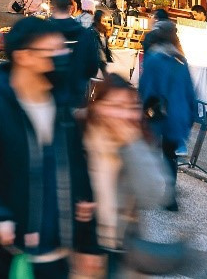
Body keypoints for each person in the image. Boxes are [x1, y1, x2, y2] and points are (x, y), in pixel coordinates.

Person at [0, 17, 101, 279]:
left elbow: (80, 176)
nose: (61, 58)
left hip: (59, 256)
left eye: (63, 50)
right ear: (23, 56)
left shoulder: (62, 109)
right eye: (51, 52)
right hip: (9, 257)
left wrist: (88, 244)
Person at [84, 74, 172, 274]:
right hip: (82, 252)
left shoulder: (139, 143)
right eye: (115, 105)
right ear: (97, 106)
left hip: (122, 252)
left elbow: (154, 195)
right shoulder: (78, 140)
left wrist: (133, 146)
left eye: (130, 107)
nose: (123, 115)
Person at [138, 20, 196, 212]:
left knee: (148, 150)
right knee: (170, 155)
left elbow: (147, 88)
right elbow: (190, 91)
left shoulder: (153, 58)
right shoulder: (181, 59)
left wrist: (141, 110)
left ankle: (144, 190)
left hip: (156, 115)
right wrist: (191, 114)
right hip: (177, 115)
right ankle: (170, 194)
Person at [48, 0, 101, 109]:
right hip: (77, 95)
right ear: (70, 8)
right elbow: (93, 67)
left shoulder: (42, 32)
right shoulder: (85, 33)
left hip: (49, 96)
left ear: (52, 8)